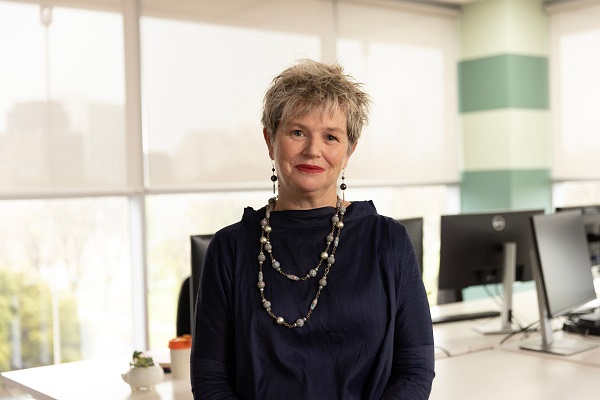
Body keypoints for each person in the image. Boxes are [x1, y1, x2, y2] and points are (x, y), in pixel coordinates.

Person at [190, 59, 435, 399]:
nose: (313, 150)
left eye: (331, 137)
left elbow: (415, 367)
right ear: (270, 140)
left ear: (349, 151)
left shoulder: (388, 241)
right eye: (297, 132)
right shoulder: (229, 248)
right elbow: (210, 379)